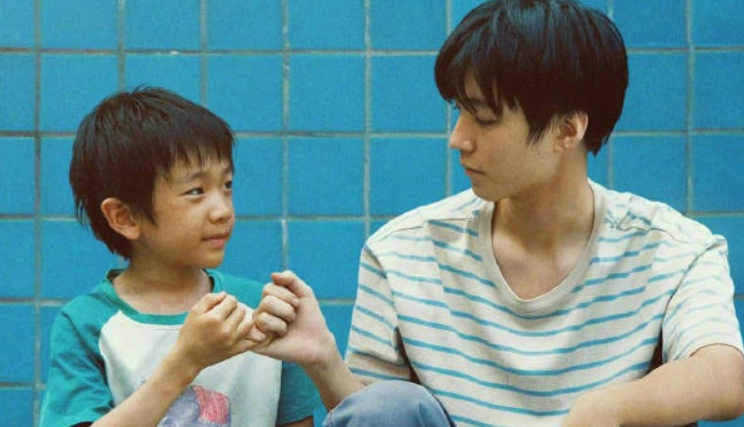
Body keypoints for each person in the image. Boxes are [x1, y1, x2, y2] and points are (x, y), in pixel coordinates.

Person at [250, 0, 744, 426]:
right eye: (459, 112)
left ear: (567, 130)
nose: (458, 139)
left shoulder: (672, 249)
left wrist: (609, 408)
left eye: (484, 118)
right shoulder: (402, 252)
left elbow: (725, 374)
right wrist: (324, 360)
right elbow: (376, 415)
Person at [39, 87, 320, 427]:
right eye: (196, 191)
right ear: (125, 217)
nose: (222, 210)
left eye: (227, 185)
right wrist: (184, 364)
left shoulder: (263, 310)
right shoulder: (86, 324)